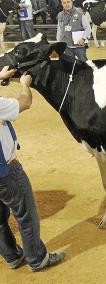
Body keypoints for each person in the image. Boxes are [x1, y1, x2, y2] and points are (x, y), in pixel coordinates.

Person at [0, 66, 66, 272]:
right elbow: (25, 103)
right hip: (6, 171)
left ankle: (12, 256)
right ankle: (38, 259)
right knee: (26, 214)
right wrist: (23, 85)